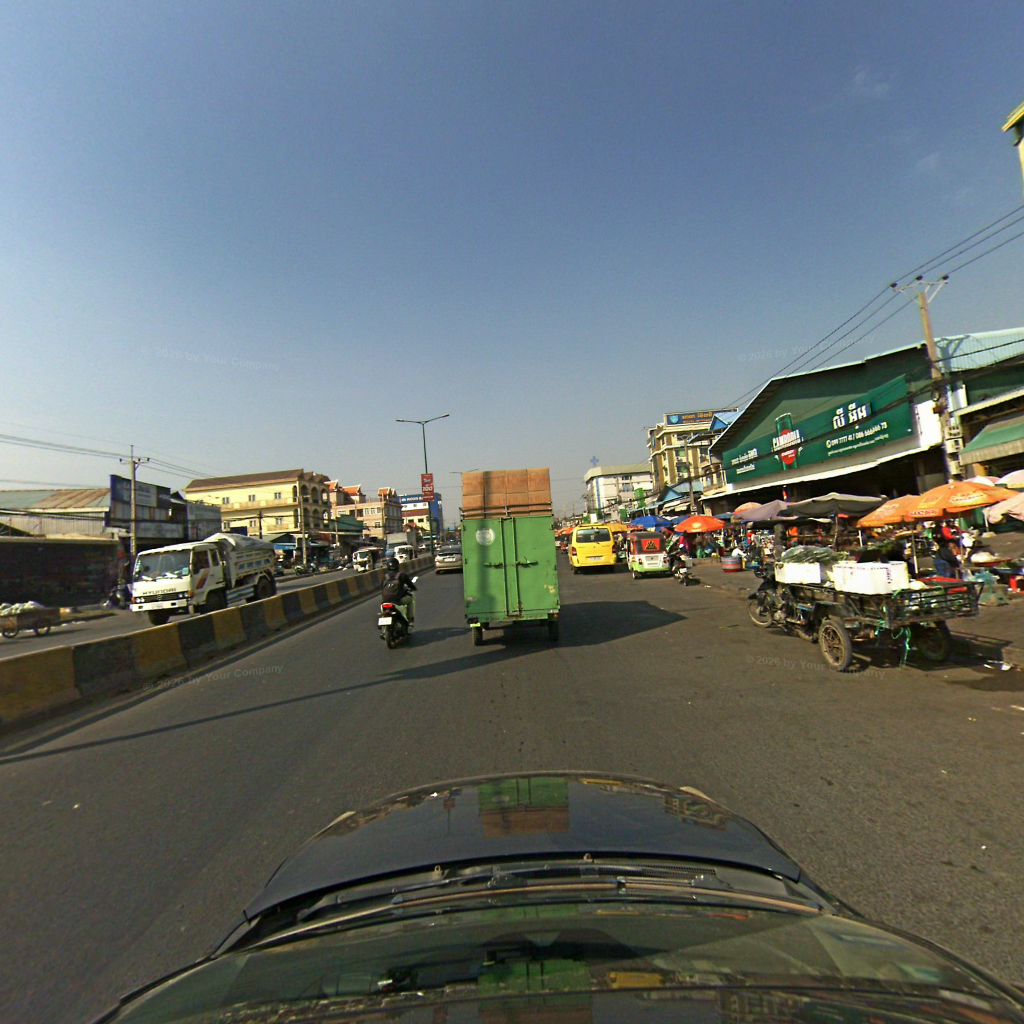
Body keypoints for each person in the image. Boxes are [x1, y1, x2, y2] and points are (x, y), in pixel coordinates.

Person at [381, 556, 417, 625]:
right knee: (410, 599)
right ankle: (410, 619)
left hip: (385, 601)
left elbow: (382, 588)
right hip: (397, 600)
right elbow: (410, 585)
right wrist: (414, 588)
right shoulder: (402, 575)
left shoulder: (384, 576)